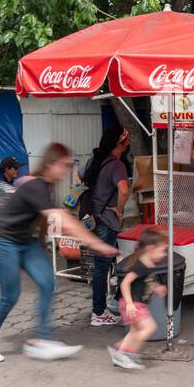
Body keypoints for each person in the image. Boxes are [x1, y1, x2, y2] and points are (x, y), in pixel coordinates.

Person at [0, 143, 120, 363]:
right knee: (10, 296)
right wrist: (97, 244)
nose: (67, 171)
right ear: (52, 164)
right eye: (65, 165)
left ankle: (42, 340)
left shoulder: (42, 186)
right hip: (3, 242)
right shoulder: (36, 186)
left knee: (48, 283)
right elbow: (62, 220)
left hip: (25, 242)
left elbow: (46, 219)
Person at [82, 126, 131, 327]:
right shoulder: (117, 165)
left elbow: (81, 179)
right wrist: (119, 210)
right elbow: (124, 190)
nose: (129, 143)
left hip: (92, 218)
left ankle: (105, 304)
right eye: (127, 139)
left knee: (104, 264)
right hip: (106, 220)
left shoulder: (95, 160)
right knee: (102, 267)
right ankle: (99, 313)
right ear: (121, 143)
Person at [110, 229, 169, 370]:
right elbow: (125, 283)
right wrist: (130, 304)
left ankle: (120, 352)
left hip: (134, 303)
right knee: (149, 327)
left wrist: (157, 287)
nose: (164, 254)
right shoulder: (141, 265)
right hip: (133, 304)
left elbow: (146, 281)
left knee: (135, 331)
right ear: (150, 249)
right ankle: (127, 353)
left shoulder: (147, 264)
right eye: (162, 250)